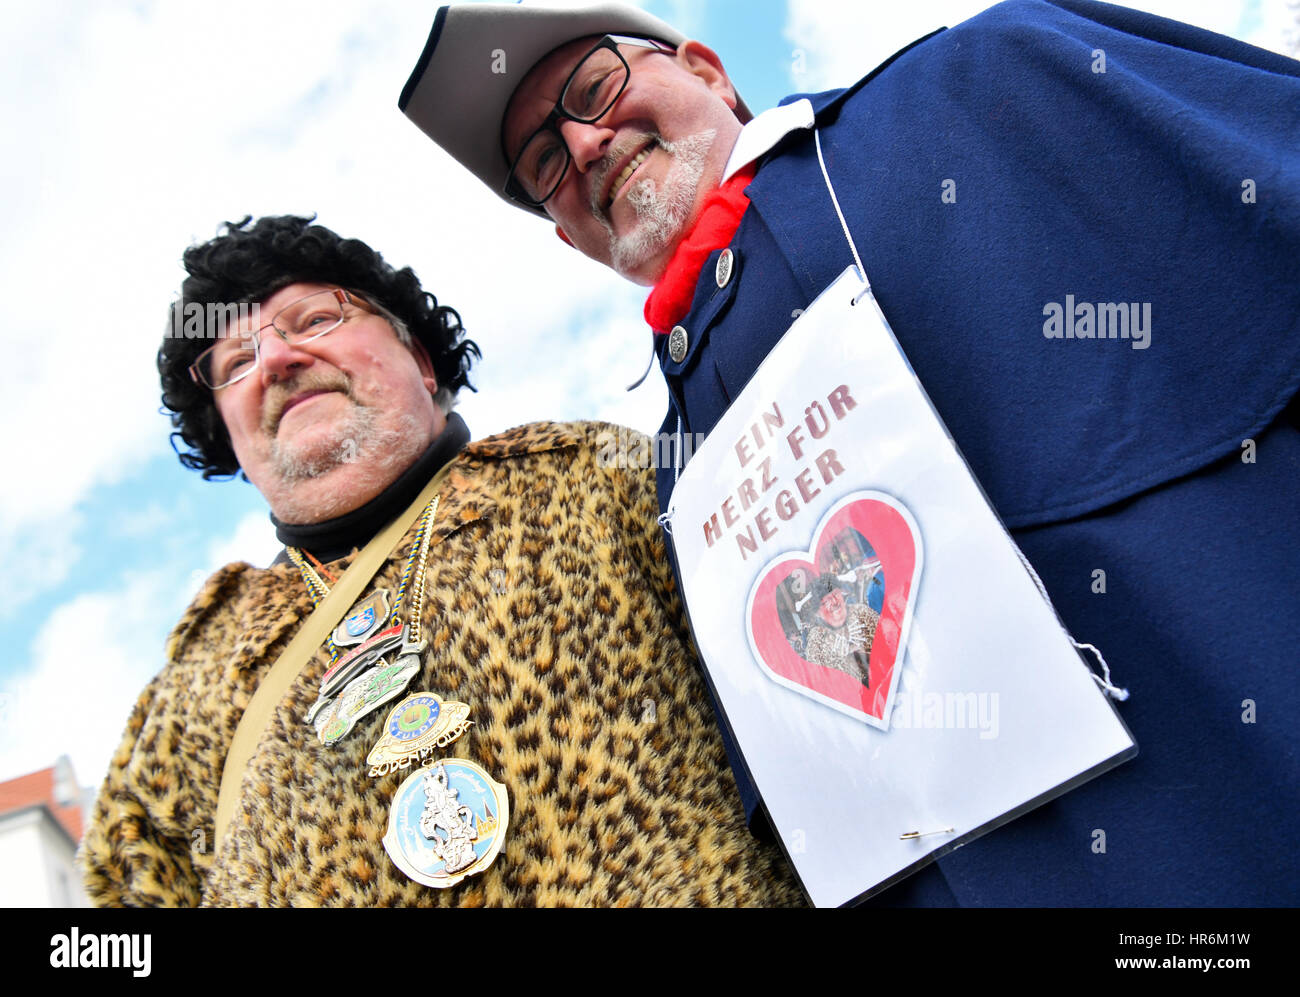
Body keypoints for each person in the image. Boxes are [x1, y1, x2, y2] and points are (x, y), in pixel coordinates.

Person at [399, 1, 1300, 905]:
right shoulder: (672, 479)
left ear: (710, 72)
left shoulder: (978, 82)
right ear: (567, 237)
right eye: (546, 163)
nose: (587, 145)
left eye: (595, 87)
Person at [79, 215, 803, 907]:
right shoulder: (197, 672)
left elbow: (821, 725)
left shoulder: (600, 475)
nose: (276, 358)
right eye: (235, 361)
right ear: (229, 437)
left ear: (421, 360)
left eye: (315, 320)